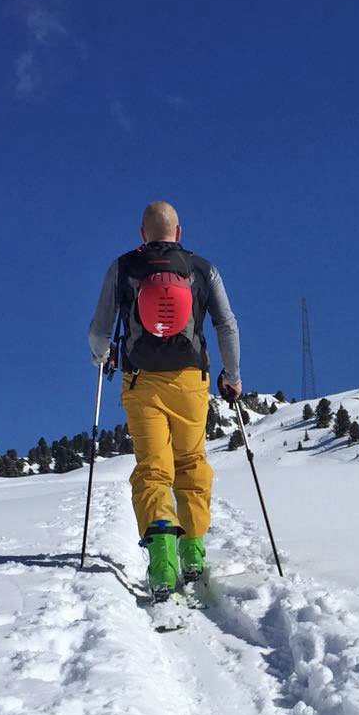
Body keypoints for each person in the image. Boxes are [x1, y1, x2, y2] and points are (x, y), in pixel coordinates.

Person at [87, 201, 241, 599]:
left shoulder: (122, 267)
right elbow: (226, 324)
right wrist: (232, 375)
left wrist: (100, 357)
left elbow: (100, 329)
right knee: (191, 462)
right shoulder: (203, 268)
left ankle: (161, 563)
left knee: (154, 469)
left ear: (142, 233)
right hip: (191, 381)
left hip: (141, 382)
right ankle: (192, 553)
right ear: (179, 230)